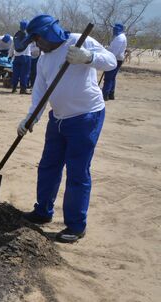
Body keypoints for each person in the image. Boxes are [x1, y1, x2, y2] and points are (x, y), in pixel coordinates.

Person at [16, 14, 116, 243]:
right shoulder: (43, 60)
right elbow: (40, 93)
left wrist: (88, 57)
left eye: (38, 39)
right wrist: (30, 118)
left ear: (49, 34)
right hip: (58, 119)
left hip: (86, 117)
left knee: (77, 172)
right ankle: (42, 211)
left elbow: (110, 60)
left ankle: (76, 225)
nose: (36, 44)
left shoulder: (79, 41)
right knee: (49, 165)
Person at [102, 23, 127, 101]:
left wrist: (108, 58)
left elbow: (115, 52)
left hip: (114, 59)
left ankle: (105, 95)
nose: (113, 30)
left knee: (108, 78)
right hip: (117, 59)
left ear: (118, 29)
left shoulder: (120, 38)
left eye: (115, 28)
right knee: (112, 78)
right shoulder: (119, 37)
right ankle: (111, 94)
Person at [11, 20, 32, 94]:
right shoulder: (29, 35)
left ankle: (14, 88)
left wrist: (10, 56)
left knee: (15, 73)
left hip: (17, 56)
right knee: (25, 73)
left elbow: (13, 46)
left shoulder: (16, 35)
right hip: (26, 56)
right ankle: (23, 89)